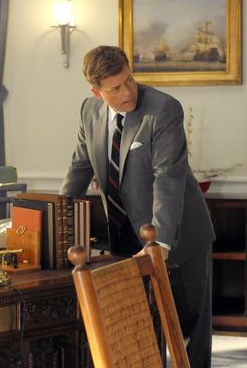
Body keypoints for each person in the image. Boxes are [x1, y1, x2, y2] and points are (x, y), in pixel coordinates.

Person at [60, 45, 215, 367]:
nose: (128, 91)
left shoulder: (163, 109)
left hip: (176, 234)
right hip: (124, 237)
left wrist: (161, 244)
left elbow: (167, 177)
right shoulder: (89, 111)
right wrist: (57, 217)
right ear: (97, 92)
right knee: (135, 329)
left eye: (129, 79)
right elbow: (79, 168)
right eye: (116, 88)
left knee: (187, 328)